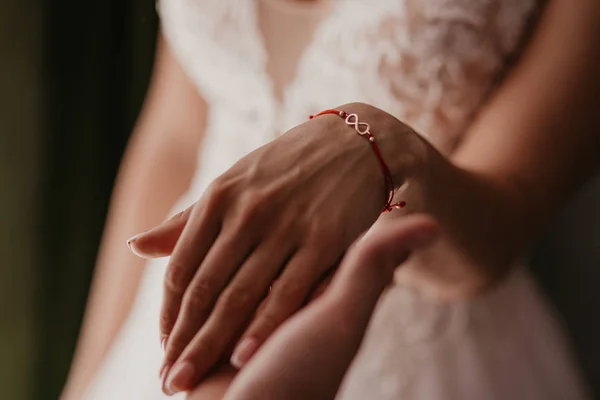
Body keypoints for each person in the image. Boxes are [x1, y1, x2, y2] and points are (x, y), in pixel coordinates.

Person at [61, 0, 600, 399]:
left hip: (422, 352)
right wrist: (89, 376)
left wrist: (382, 149)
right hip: (169, 337)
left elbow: (493, 236)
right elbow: (176, 138)